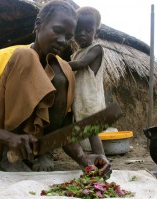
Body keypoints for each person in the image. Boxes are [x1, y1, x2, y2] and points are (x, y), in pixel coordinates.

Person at [0, 0, 111, 176]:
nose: (62, 40)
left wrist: (83, 158)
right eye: (57, 31)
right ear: (38, 24)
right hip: (3, 141)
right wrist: (10, 138)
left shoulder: (63, 69)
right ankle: (12, 157)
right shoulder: (4, 57)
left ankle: (42, 152)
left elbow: (62, 130)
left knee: (63, 70)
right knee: (26, 56)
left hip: (37, 146)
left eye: (68, 36)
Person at [68, 7, 106, 155]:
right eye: (78, 30)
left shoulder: (96, 49)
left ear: (97, 32)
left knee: (91, 131)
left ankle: (101, 158)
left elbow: (80, 65)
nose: (82, 34)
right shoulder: (76, 53)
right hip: (79, 98)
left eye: (88, 30)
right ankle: (85, 158)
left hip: (90, 98)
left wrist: (58, 64)